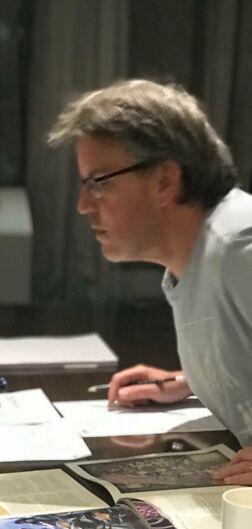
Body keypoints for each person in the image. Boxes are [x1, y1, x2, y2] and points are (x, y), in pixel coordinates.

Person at [48, 79, 252, 485]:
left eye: (99, 182)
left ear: (163, 181)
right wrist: (193, 379)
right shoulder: (202, 253)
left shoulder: (240, 246)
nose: (83, 205)